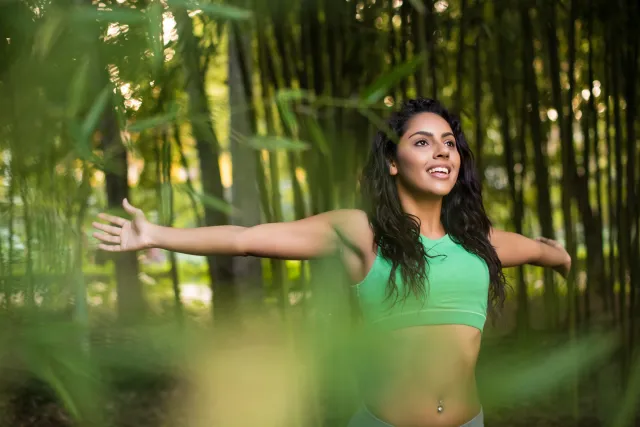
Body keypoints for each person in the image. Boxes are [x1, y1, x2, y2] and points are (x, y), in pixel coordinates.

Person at [93, 98, 571, 427]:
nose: (441, 150)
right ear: (391, 161)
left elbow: (535, 249)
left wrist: (560, 256)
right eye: (422, 142)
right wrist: (155, 233)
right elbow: (247, 238)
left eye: (448, 142)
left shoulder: (478, 242)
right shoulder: (362, 233)